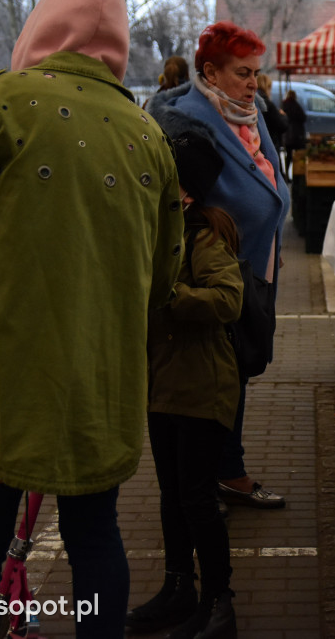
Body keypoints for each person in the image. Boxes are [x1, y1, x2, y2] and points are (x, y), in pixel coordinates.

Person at [0, 0, 184, 637]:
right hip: (101, 379)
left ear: (44, 27)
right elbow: (164, 269)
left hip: (6, 374)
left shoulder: (1, 101)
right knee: (96, 538)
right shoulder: (148, 134)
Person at [148, 20, 290, 511]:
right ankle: (216, 476)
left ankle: (222, 472)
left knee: (238, 370)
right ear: (210, 70)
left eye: (256, 73)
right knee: (219, 374)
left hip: (255, 262)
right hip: (215, 267)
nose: (253, 83)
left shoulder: (248, 112)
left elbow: (266, 174)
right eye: (242, 72)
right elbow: (176, 197)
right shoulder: (187, 118)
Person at [126, 133, 243, 639]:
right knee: (172, 496)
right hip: (162, 386)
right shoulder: (156, 229)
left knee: (196, 498)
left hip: (201, 386)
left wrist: (168, 293)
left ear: (184, 188)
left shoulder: (204, 235)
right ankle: (179, 590)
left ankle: (220, 603)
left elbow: (228, 299)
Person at [256, 72, 288, 161]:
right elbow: (282, 125)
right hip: (269, 145)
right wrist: (283, 115)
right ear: (267, 87)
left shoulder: (255, 102)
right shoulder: (267, 104)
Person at [281, 89, 307, 178]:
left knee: (288, 156)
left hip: (287, 135)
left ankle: (287, 175)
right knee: (298, 156)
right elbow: (303, 118)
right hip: (297, 135)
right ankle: (297, 174)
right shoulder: (296, 105)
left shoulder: (283, 105)